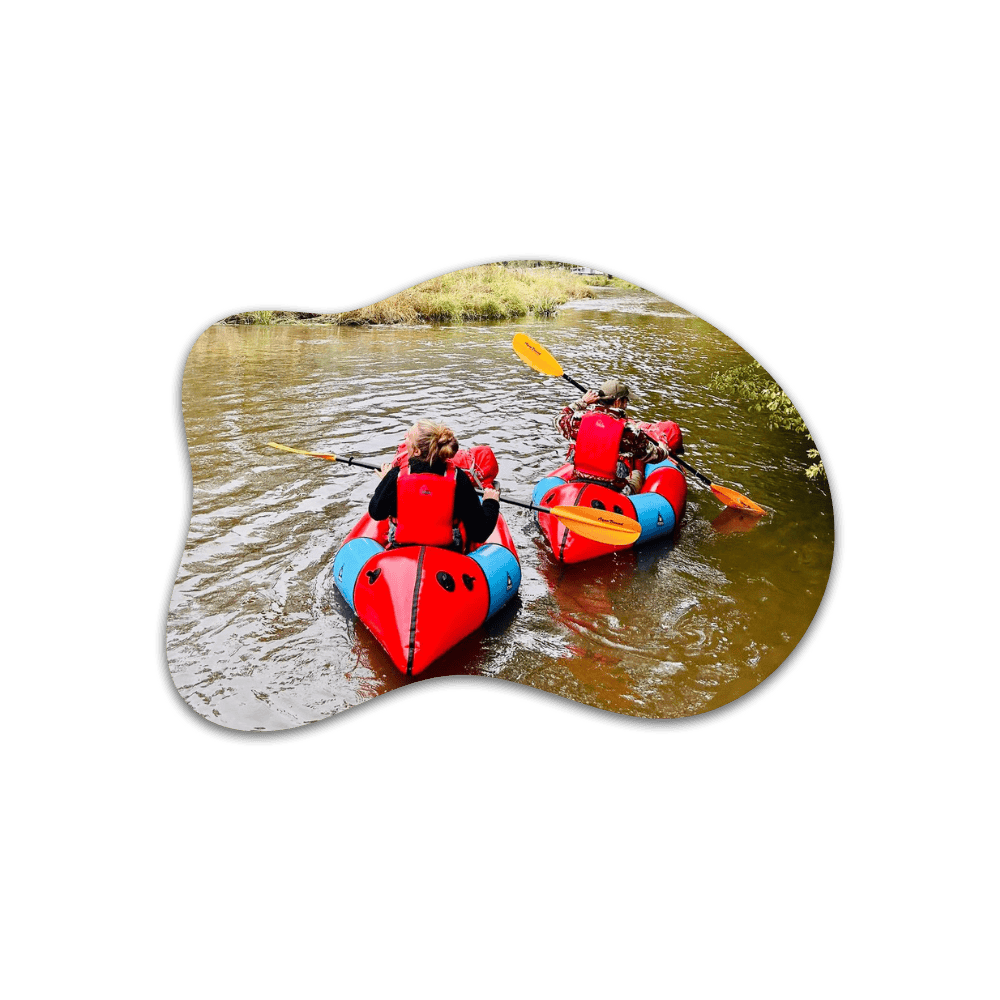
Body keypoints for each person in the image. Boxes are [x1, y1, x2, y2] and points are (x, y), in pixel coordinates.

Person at [369, 420, 500, 550]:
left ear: (416, 451)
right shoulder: (459, 478)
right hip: (448, 550)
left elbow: (376, 513)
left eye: (408, 436)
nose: (405, 438)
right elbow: (480, 533)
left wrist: (386, 481)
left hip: (402, 548)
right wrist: (491, 502)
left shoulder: (395, 476)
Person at [554, 378, 674, 495]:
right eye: (626, 401)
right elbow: (654, 456)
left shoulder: (577, 420)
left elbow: (558, 419)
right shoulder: (629, 431)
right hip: (613, 492)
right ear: (618, 402)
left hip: (579, 483)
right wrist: (664, 448)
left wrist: (583, 402)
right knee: (637, 473)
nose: (626, 405)